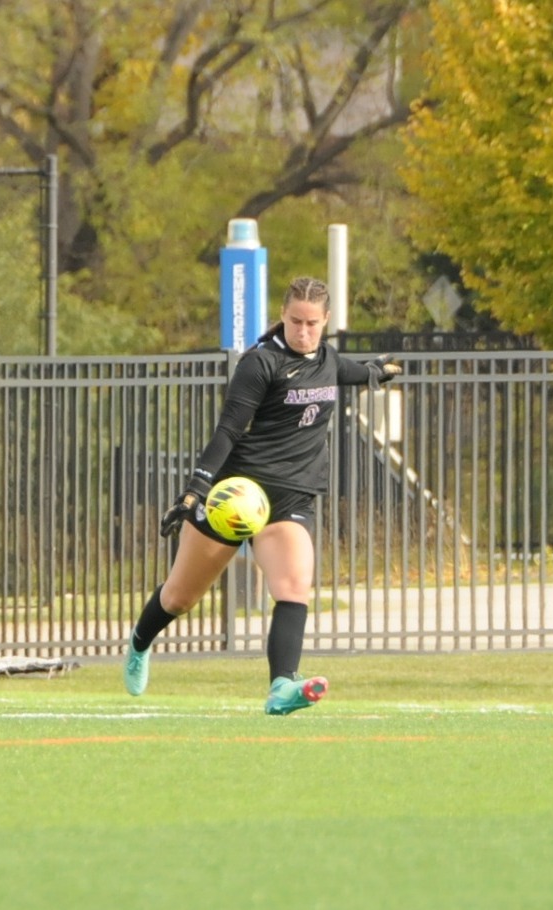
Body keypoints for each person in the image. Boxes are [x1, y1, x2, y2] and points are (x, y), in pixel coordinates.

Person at [122, 276, 404, 715]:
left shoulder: (327, 360)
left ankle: (281, 688)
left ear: (326, 320)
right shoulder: (259, 364)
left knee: (293, 588)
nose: (304, 331)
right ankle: (140, 642)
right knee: (179, 598)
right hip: (236, 495)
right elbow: (229, 430)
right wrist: (196, 489)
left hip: (289, 501)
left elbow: (350, 372)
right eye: (295, 321)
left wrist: (376, 373)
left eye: (312, 323)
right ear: (283, 316)